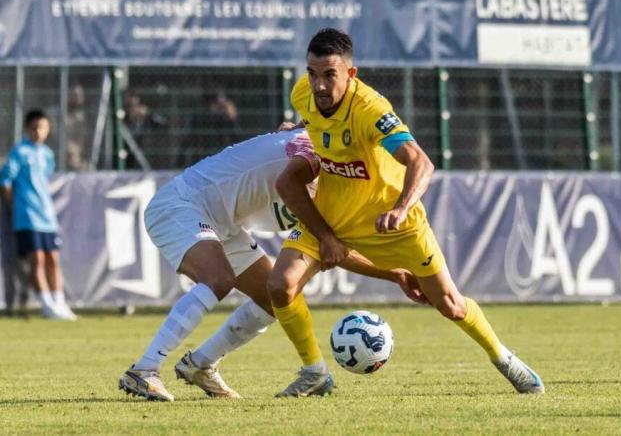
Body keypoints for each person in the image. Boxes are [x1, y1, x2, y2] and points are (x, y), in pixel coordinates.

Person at [266, 28, 544, 397]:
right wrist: (301, 127)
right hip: (331, 217)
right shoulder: (302, 93)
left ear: (351, 74)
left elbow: (420, 162)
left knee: (450, 305)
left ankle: (504, 358)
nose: (319, 84)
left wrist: (401, 208)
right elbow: (319, 125)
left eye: (329, 74)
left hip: (392, 224)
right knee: (280, 286)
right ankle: (314, 372)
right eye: (313, 72)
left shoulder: (371, 110)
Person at [118, 128, 427, 402]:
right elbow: (326, 238)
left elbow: (333, 247)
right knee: (219, 279)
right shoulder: (311, 152)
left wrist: (396, 273)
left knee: (272, 299)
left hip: (223, 223)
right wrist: (393, 272)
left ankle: (201, 364)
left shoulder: (329, 177)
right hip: (182, 204)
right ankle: (144, 369)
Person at [0, 109, 77, 321]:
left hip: (47, 215)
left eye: (42, 127)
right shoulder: (19, 152)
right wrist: (14, 207)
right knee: (38, 259)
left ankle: (59, 301)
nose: (39, 132)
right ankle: (46, 304)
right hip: (27, 215)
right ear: (27, 128)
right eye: (34, 127)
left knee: (53, 258)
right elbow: (5, 181)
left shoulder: (47, 154)